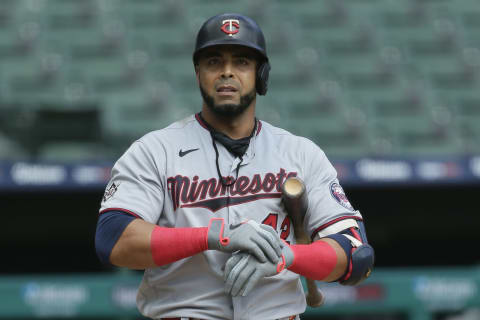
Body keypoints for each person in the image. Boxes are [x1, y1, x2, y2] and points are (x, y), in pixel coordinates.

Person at [95, 13, 374, 320]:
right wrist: (214, 236)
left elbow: (355, 254)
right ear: (198, 72)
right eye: (214, 62)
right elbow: (113, 240)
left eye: (241, 62)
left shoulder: (300, 153)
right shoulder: (155, 151)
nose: (227, 72)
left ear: (261, 74)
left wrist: (287, 256)